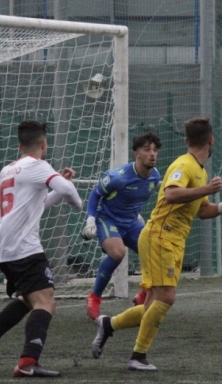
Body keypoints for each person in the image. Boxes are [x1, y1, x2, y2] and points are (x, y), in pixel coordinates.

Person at [91, 117, 222, 370]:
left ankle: (109, 324)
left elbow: (202, 211)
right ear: (211, 140)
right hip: (160, 236)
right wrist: (206, 190)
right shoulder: (184, 165)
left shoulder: (199, 170)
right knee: (166, 297)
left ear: (187, 140)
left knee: (153, 303)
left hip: (172, 240)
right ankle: (137, 356)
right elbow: (172, 193)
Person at [0, 120, 83, 377]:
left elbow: (37, 204)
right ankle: (27, 362)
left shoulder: (8, 169)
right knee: (46, 301)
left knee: (29, 299)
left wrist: (58, 187)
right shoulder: (38, 166)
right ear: (43, 144)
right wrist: (75, 200)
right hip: (23, 244)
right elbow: (67, 190)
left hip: (5, 244)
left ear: (20, 145)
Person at [82, 132, 163, 320]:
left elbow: (134, 199)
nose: (152, 154)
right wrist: (90, 221)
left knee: (156, 250)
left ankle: (143, 294)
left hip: (131, 223)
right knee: (118, 253)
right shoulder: (118, 177)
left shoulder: (155, 177)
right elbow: (95, 195)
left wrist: (137, 216)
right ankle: (94, 297)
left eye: (155, 150)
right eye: (147, 150)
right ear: (136, 154)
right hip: (108, 220)